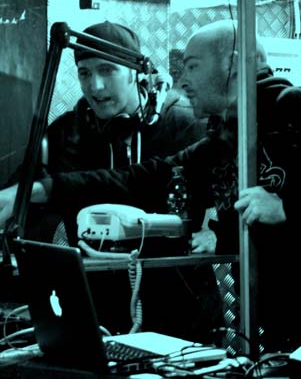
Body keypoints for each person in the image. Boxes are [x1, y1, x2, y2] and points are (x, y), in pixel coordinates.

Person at [1, 20, 301, 368]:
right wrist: (37, 190)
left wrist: (291, 206)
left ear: (232, 65)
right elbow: (145, 177)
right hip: (289, 325)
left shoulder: (296, 104)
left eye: (193, 67)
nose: (183, 81)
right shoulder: (225, 138)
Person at [2, 21, 219, 341]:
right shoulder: (64, 134)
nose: (96, 86)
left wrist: (215, 232)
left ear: (135, 72)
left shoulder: (184, 126)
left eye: (107, 70)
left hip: (180, 309)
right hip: (95, 311)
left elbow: (224, 197)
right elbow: (18, 201)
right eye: (85, 73)